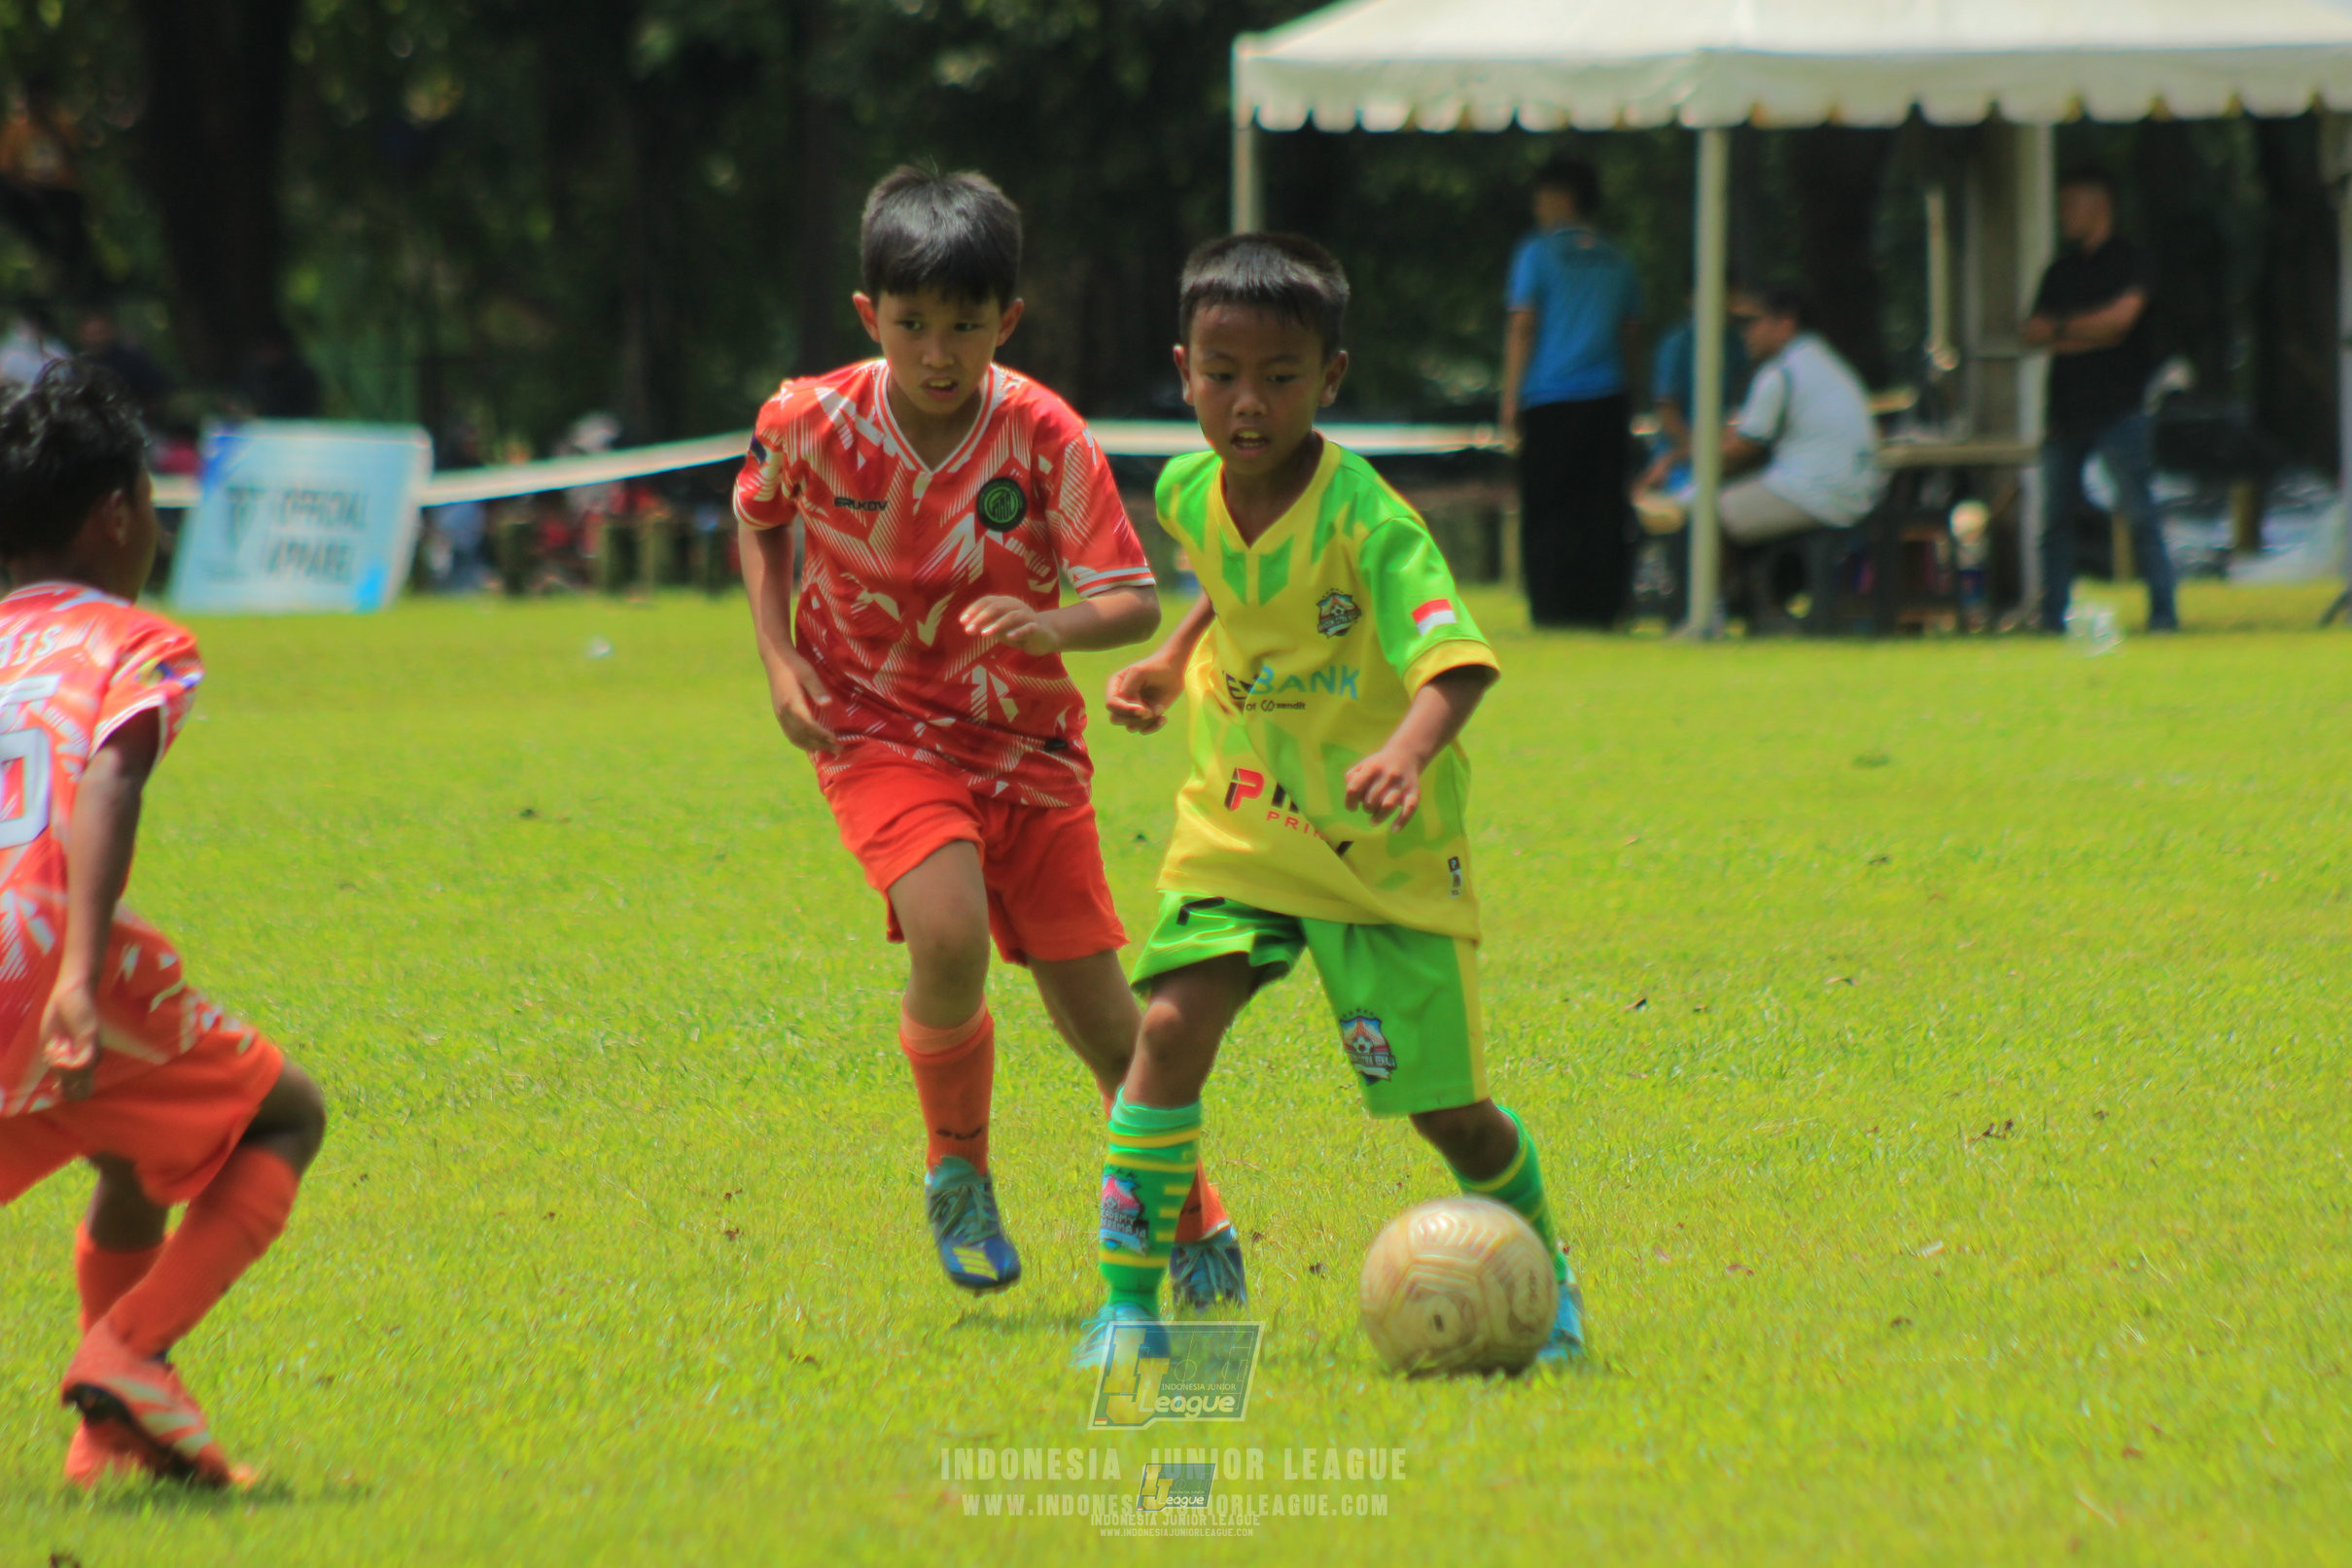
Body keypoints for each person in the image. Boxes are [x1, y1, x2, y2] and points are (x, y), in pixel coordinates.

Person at [732, 166, 1243, 1304]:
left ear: (1005, 321)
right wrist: (779, 659)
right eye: (912, 325)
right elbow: (758, 516)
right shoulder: (808, 420)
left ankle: (1192, 1213)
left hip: (1027, 748)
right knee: (947, 934)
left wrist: (1047, 619)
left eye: (965, 326)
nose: (937, 352)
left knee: (1113, 1028)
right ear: (871, 318)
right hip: (876, 731)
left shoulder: (1044, 435)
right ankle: (957, 1164)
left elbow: (1133, 601)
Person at [1088, 233, 1582, 1365]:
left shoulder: (1372, 520)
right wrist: (1172, 659)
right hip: (1244, 817)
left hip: (1377, 843)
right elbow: (1226, 582)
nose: (1246, 402)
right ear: (1183, 369)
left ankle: (1546, 1279)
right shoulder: (1184, 488)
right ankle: (1127, 1310)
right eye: (1221, 373)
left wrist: (1408, 751)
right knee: (1164, 1031)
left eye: (1278, 376)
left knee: (1446, 1112)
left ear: (1331, 380)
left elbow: (1454, 659)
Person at [0, 362, 327, 1489]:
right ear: (118, 514)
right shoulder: (135, 640)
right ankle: (128, 1351)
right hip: (40, 947)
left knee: (130, 1145)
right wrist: (81, 974)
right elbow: (108, 778)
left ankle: (111, 1431)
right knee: (284, 1116)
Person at [2023, 168, 2177, 633]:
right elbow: (2032, 331)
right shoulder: (2060, 270)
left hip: (2120, 408)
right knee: (2055, 524)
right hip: (2066, 412)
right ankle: (2053, 619)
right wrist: (2089, 331)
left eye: (2072, 204)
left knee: (2140, 515)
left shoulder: (2132, 261)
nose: (2063, 215)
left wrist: (2065, 330)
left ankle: (2163, 616)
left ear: (2100, 204)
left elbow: (2121, 323)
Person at [1500, 155, 1643, 629]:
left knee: (1548, 507)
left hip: (1550, 398)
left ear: (1563, 197)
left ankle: (1552, 606)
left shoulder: (1536, 253)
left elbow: (1523, 326)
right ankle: (1603, 606)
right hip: (1607, 397)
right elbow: (1631, 333)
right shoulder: (1618, 258)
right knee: (1602, 507)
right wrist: (1634, 393)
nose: (1537, 207)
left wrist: (1510, 399)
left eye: (1542, 196)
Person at [1711, 286, 1880, 547]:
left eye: (1753, 322)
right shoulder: (1826, 361)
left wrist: (1685, 460)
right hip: (1855, 494)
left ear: (1786, 322)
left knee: (1705, 516)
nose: (1746, 333)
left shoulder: (1781, 371)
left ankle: (1717, 589)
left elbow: (1736, 452)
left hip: (1815, 495)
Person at [1638, 288, 1750, 496]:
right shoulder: (1676, 345)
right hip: (1682, 452)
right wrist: (1699, 450)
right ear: (1690, 299)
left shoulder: (1736, 342)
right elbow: (1666, 414)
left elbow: (1743, 403)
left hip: (1723, 448)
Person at [0, 75, 98, 296]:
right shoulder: (15, 130)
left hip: (62, 190)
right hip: (28, 192)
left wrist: (54, 130)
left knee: (74, 223)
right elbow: (6, 173)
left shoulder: (62, 124)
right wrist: (28, 190)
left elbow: (76, 157)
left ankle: (80, 273)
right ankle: (49, 247)